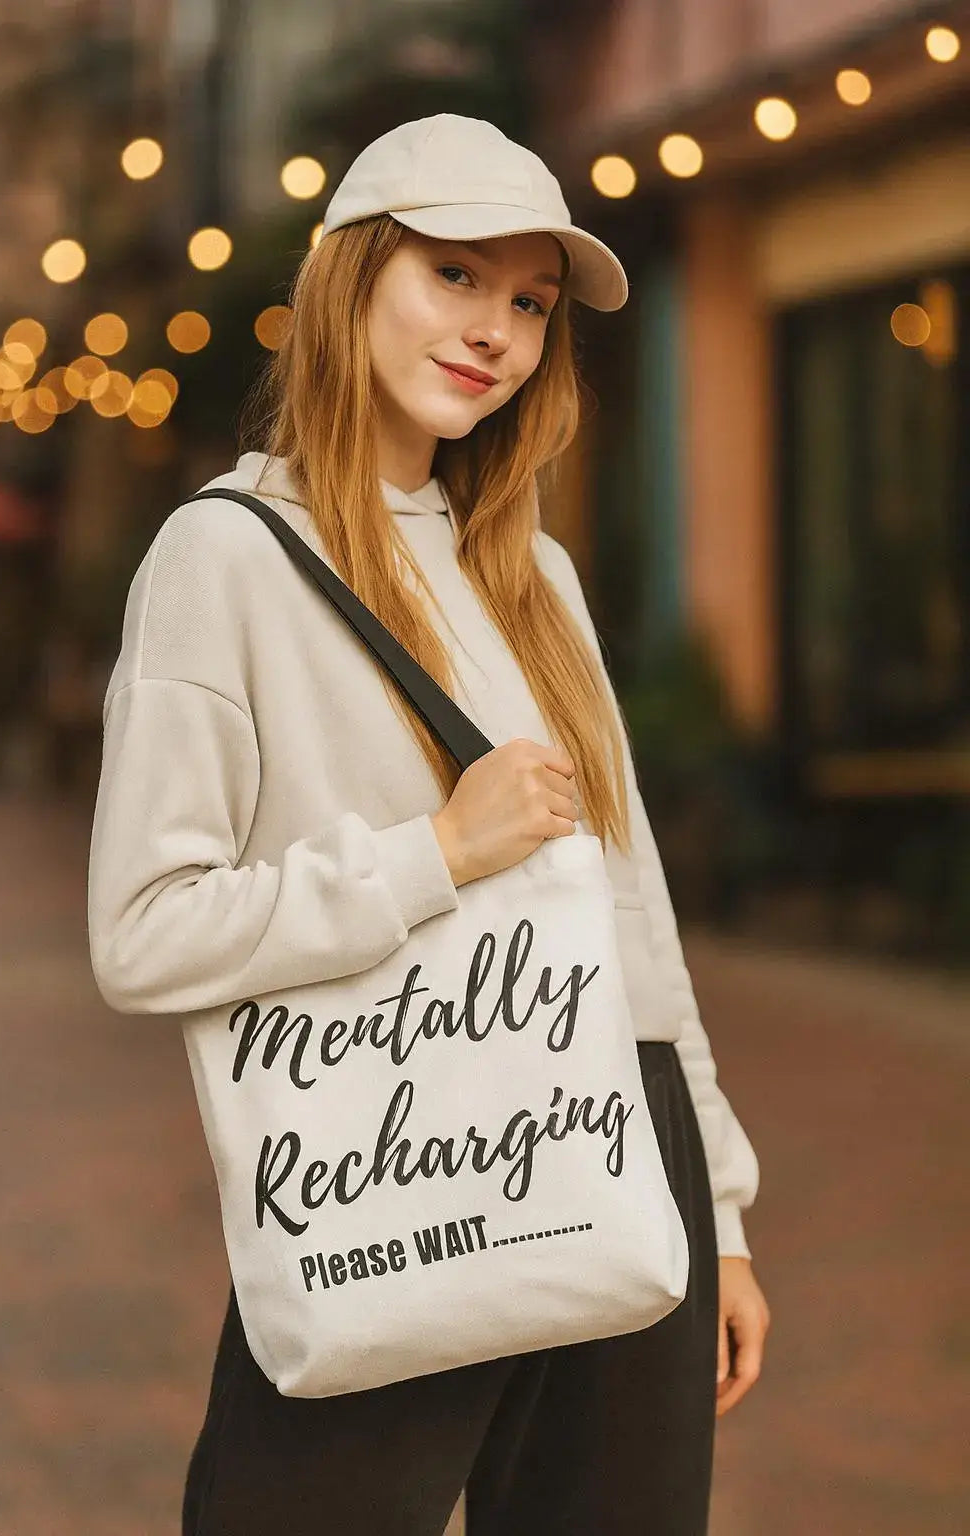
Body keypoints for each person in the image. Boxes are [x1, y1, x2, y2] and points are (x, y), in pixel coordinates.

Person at [87, 113, 769, 1536]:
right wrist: (434, 857)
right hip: (392, 1160)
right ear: (354, 276)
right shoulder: (226, 555)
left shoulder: (536, 578)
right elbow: (142, 934)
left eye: (528, 303)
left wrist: (723, 1215)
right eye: (456, 276)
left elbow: (633, 922)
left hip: (615, 1155)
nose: (498, 333)